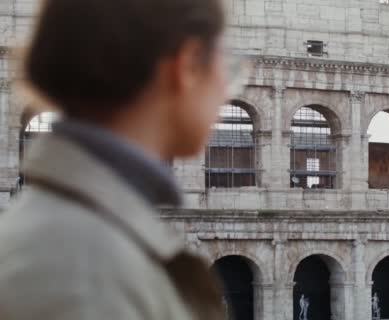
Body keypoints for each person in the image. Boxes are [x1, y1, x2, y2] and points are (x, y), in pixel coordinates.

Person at [0, 0, 233, 319]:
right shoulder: (95, 273)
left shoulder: (68, 239)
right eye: (229, 69)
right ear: (188, 64)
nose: (225, 90)